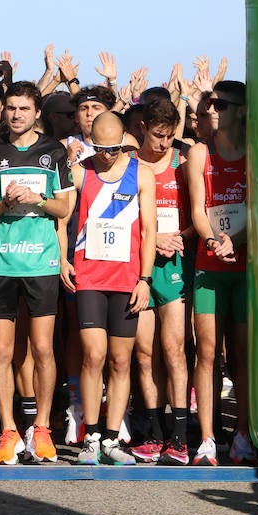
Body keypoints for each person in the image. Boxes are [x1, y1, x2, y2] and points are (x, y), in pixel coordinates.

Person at [0, 81, 75, 465]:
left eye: (23, 109)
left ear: (36, 113)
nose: (16, 114)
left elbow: (63, 208)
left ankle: (42, 429)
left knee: (43, 348)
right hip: (1, 262)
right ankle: (9, 430)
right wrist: (4, 202)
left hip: (41, 262)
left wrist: (37, 199)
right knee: (0, 350)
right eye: (11, 108)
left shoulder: (54, 152)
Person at [65, 112, 155, 466]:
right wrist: (62, 258)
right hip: (88, 277)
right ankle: (91, 435)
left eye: (113, 149)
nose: (106, 155)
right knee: (94, 355)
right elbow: (62, 219)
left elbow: (148, 231)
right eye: (100, 148)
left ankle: (113, 437)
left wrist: (145, 280)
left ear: (124, 142)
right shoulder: (80, 171)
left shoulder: (140, 173)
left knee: (121, 360)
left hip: (126, 280)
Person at [187, 80, 251, 466]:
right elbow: (198, 209)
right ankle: (208, 439)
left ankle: (243, 435)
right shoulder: (200, 153)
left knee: (243, 356)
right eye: (210, 103)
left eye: (221, 104)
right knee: (207, 353)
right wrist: (214, 242)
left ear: (241, 110)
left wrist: (236, 241)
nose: (212, 109)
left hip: (243, 267)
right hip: (210, 266)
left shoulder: (255, 151)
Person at [128, 98, 192, 465]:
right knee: (145, 353)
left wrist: (175, 236)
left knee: (174, 351)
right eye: (157, 135)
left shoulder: (181, 166)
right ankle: (152, 435)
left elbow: (196, 215)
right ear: (143, 129)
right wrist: (153, 240)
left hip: (173, 265)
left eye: (169, 136)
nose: (164, 143)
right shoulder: (132, 167)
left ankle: (180, 439)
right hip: (140, 266)